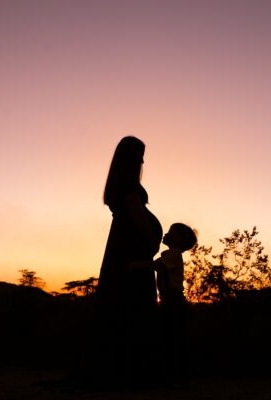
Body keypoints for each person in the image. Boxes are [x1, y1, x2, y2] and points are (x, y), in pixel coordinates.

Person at [94, 136, 163, 386]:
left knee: (123, 302)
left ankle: (124, 366)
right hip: (130, 247)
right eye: (140, 155)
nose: (143, 160)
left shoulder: (120, 183)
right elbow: (137, 216)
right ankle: (133, 369)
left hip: (122, 244)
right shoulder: (128, 185)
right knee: (133, 302)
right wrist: (152, 240)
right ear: (130, 156)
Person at [153, 223, 197, 383]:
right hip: (171, 300)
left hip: (173, 300)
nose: (166, 234)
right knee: (173, 336)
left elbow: (155, 265)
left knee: (172, 337)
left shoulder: (173, 255)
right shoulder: (170, 254)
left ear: (180, 241)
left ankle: (177, 376)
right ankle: (176, 375)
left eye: (172, 233)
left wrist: (134, 265)